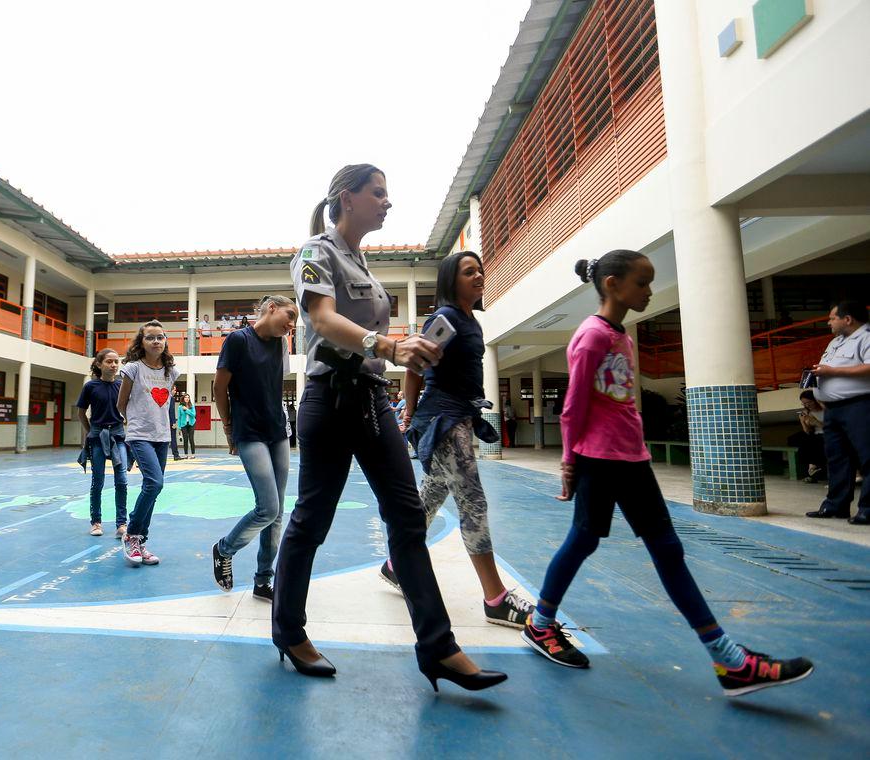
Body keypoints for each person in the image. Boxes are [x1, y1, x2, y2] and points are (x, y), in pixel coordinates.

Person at [521, 250, 813, 697]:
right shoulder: (591, 336)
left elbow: (617, 402)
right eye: (643, 282)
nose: (649, 291)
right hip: (601, 459)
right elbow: (574, 404)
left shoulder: (624, 337)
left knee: (663, 548)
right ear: (614, 284)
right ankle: (541, 624)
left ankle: (727, 660)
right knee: (587, 540)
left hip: (631, 457)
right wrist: (569, 461)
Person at [272, 163, 506, 691]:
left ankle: (439, 648)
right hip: (330, 400)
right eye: (378, 192)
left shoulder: (366, 265)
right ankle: (288, 630)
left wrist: (408, 349)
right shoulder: (316, 253)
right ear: (346, 197)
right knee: (312, 519)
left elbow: (368, 333)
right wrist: (389, 345)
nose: (386, 201)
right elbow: (325, 321)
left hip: (373, 398)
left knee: (406, 517)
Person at [380, 251, 533, 628]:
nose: (479, 275)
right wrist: (411, 414)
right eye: (469, 271)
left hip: (460, 416)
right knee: (473, 502)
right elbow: (416, 366)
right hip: (443, 419)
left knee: (432, 494)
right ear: (452, 280)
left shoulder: (470, 321)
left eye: (480, 269)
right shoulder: (446, 318)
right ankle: (495, 598)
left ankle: (396, 564)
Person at [211, 295, 298, 600]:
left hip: (278, 431)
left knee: (278, 513)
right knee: (268, 507)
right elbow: (219, 387)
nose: (292, 325)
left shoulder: (279, 344)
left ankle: (263, 581)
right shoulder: (237, 340)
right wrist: (228, 427)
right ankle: (224, 549)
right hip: (249, 432)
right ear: (271, 308)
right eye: (290, 316)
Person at [117, 320, 180, 566]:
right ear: (141, 343)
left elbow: (163, 404)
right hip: (139, 435)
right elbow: (121, 403)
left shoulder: (171, 372)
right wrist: (133, 424)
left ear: (165, 341)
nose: (156, 341)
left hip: (162, 436)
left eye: (160, 337)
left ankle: (140, 542)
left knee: (154, 489)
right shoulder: (133, 368)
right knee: (154, 483)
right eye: (150, 337)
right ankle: (132, 533)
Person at [805, 301, 870, 524]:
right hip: (833, 409)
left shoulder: (866, 337)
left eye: (832, 318)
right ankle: (836, 505)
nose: (828, 322)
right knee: (837, 459)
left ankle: (868, 509)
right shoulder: (836, 342)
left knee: (867, 457)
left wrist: (834, 371)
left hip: (859, 405)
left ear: (848, 319)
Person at [77, 348, 129, 538]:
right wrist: (90, 431)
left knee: (122, 480)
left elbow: (128, 408)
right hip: (98, 437)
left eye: (116, 361)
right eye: (109, 361)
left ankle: (122, 523)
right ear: (99, 364)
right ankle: (96, 522)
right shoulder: (90, 387)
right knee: (97, 481)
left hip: (118, 436)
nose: (114, 365)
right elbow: (81, 412)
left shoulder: (123, 385)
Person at [788, 390, 826, 483]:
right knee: (796, 439)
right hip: (815, 435)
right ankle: (812, 467)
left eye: (809, 402)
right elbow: (807, 431)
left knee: (810, 442)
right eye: (804, 403)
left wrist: (815, 421)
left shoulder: (825, 409)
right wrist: (803, 422)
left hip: (827, 434)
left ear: (815, 400)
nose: (807, 405)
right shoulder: (807, 412)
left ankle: (812, 467)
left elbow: (831, 427)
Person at [178, 393, 197, 458]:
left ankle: (193, 454)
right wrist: (179, 427)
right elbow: (179, 417)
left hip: (191, 423)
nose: (187, 398)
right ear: (183, 399)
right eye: (185, 397)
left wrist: (186, 410)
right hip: (184, 424)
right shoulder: (180, 407)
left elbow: (193, 415)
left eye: (188, 397)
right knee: (185, 439)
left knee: (191, 439)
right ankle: (186, 454)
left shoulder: (192, 406)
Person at [169, 395, 183, 461]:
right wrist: (173, 422)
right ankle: (176, 455)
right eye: (174, 390)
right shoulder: (171, 398)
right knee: (173, 438)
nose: (175, 392)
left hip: (161, 422)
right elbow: (171, 410)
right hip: (169, 422)